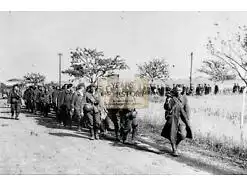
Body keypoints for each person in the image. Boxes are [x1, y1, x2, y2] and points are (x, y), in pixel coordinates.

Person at [161, 85, 192, 156]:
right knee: (172, 133)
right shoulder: (171, 97)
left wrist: (187, 118)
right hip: (173, 117)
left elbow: (187, 108)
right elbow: (166, 108)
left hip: (181, 118)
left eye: (180, 90)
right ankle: (174, 149)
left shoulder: (184, 98)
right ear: (174, 90)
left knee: (183, 135)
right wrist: (167, 101)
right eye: (177, 90)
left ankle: (175, 144)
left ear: (182, 90)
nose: (178, 91)